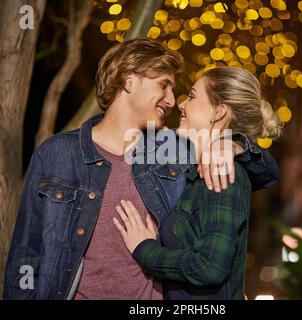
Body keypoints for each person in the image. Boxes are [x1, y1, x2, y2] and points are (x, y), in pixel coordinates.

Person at [4, 39, 279, 300]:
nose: (172, 100)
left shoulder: (175, 152)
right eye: (164, 85)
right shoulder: (57, 154)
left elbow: (265, 173)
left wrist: (233, 145)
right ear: (129, 79)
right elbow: (25, 256)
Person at [114, 66, 283, 299]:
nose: (181, 104)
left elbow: (210, 267)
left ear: (219, 112)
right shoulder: (197, 167)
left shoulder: (223, 174)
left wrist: (144, 250)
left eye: (192, 96)